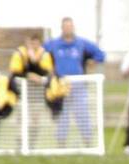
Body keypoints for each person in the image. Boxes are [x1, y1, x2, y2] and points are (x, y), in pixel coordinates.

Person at [45, 17, 105, 148]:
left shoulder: (81, 44)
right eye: (65, 26)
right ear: (62, 28)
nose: (68, 29)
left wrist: (93, 61)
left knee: (82, 113)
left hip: (78, 84)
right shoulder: (54, 44)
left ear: (73, 28)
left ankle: (88, 142)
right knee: (62, 115)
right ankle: (61, 144)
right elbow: (41, 55)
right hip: (60, 85)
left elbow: (100, 54)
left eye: (70, 26)